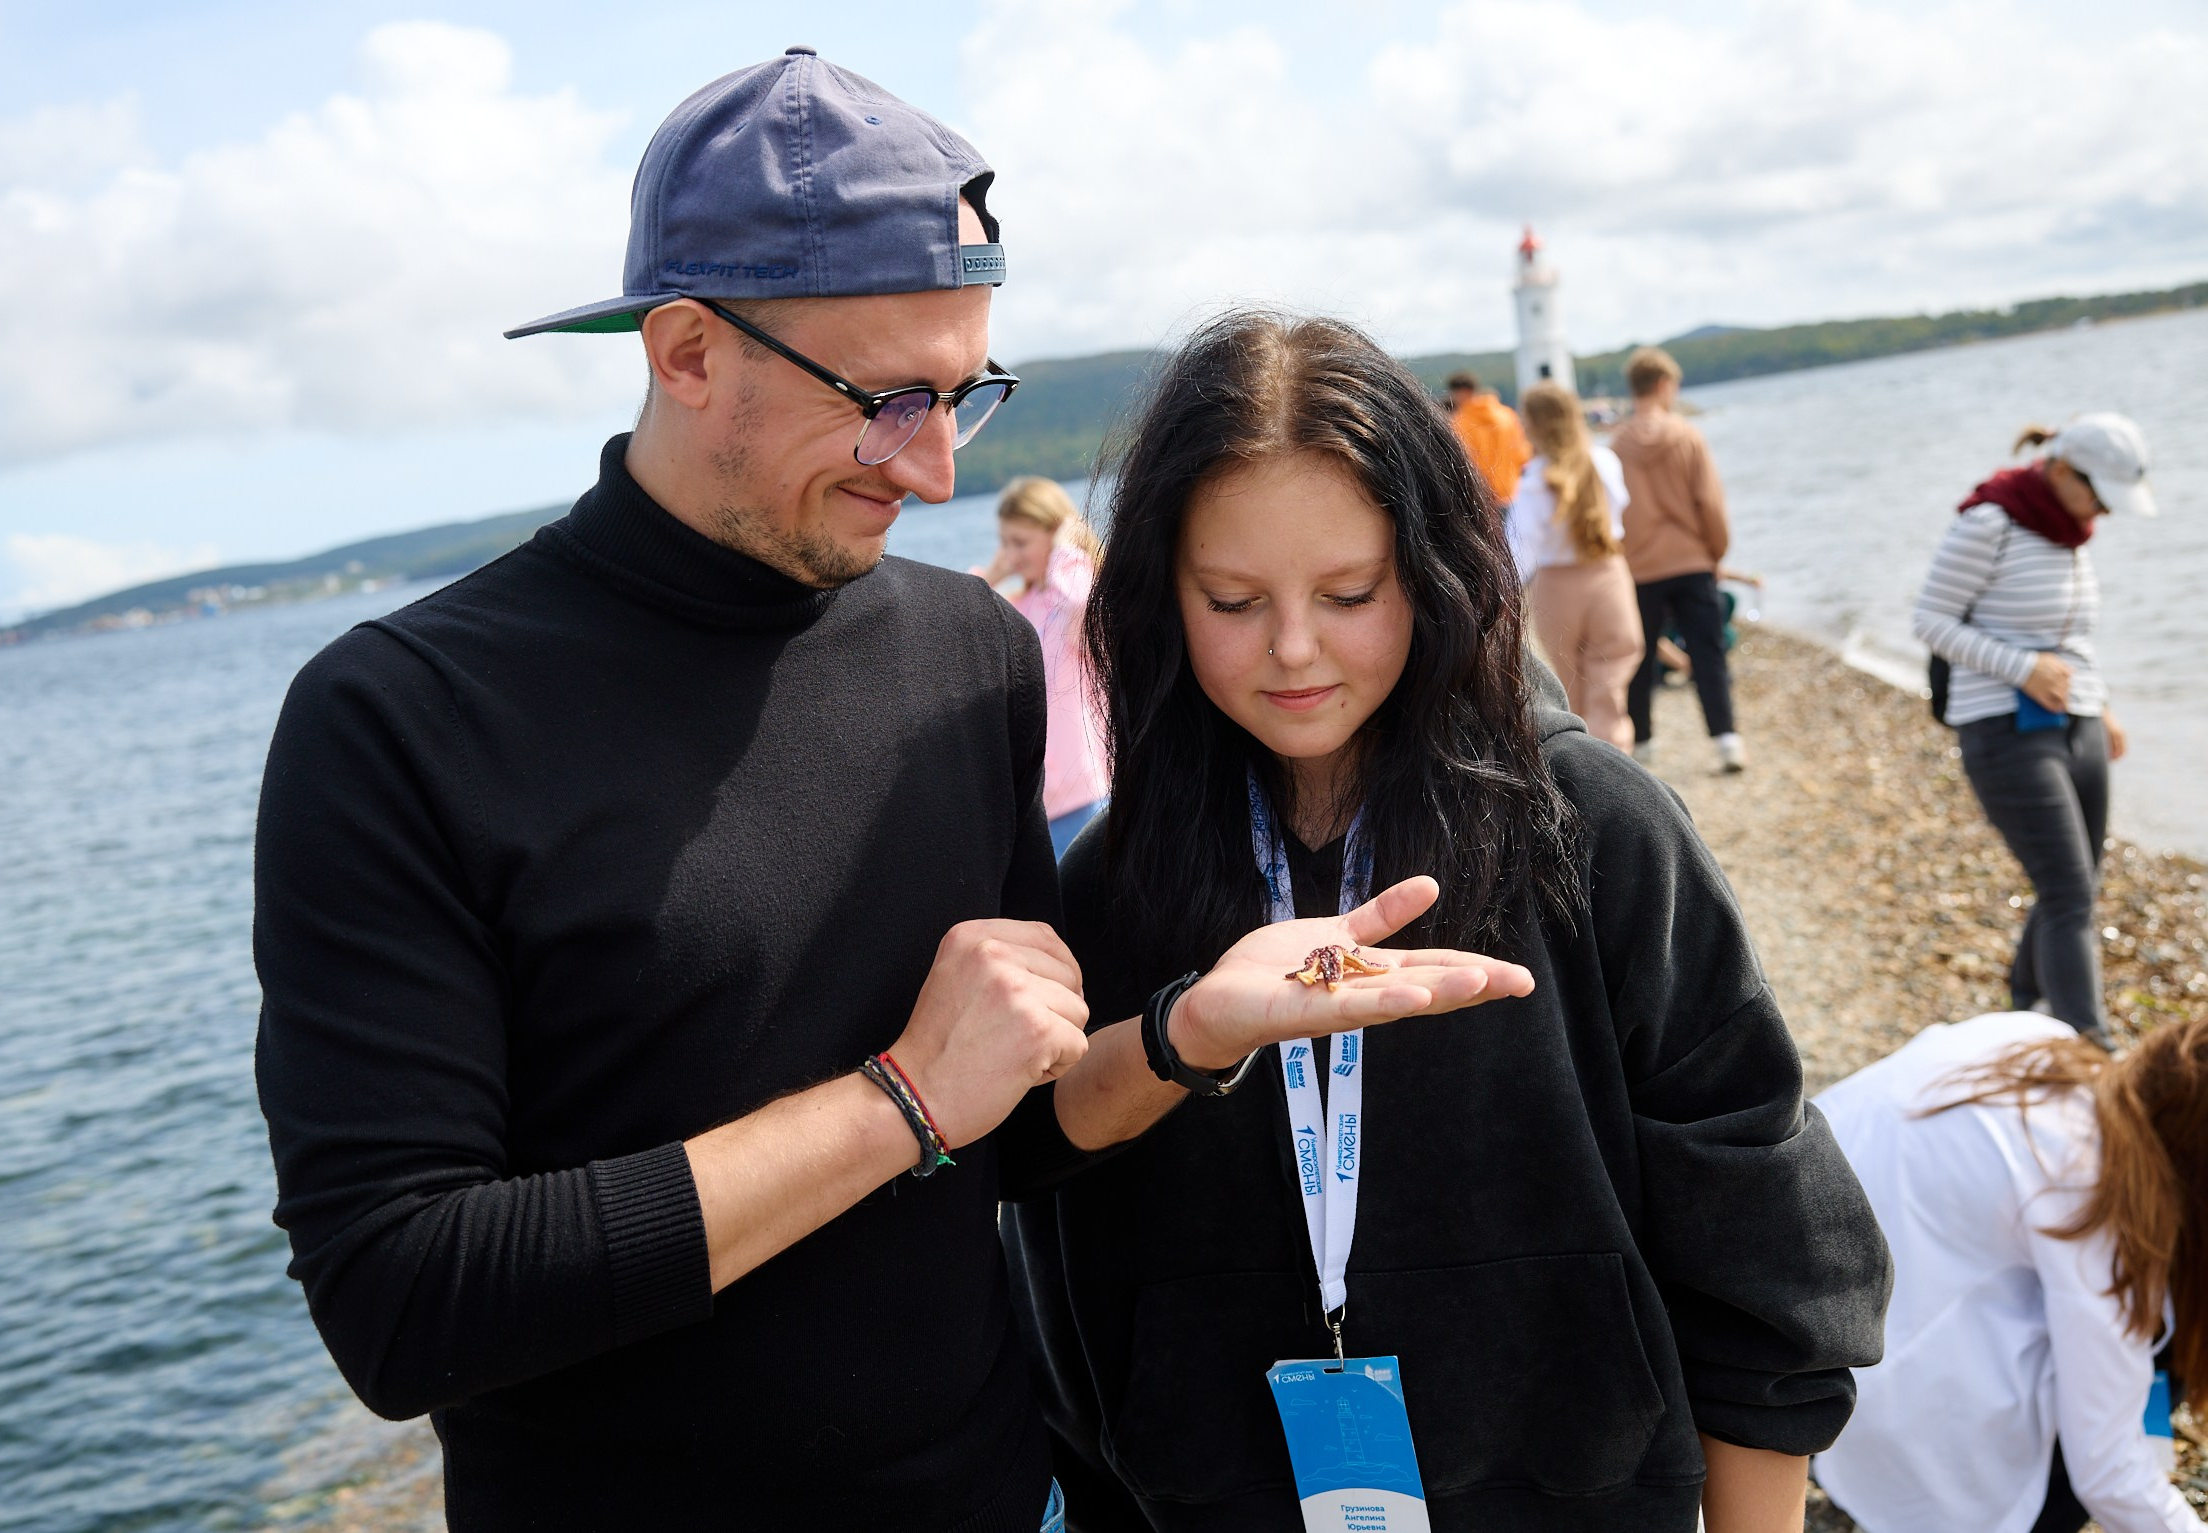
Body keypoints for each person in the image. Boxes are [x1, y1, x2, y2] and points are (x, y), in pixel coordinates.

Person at [254, 56, 1527, 1530]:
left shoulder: (968, 654)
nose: (932, 470)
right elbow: (405, 1305)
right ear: (684, 353)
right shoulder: (401, 718)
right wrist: (898, 1100)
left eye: (966, 393)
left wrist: (1184, 1030)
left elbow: (1013, 1133)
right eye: (885, 399)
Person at [1006, 311, 1891, 1532]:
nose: (1295, 648)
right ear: (1159, 596)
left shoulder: (1595, 825)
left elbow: (1760, 1243)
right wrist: (1183, 1035)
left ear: (1431, 570)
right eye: (1231, 600)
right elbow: (1029, 1177)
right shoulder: (1105, 883)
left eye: (1350, 591)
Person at [1812, 1011, 2208, 1533]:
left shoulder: (2033, 1037)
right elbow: (2108, 1472)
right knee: (2158, 1352)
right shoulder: (2094, 1206)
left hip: (1769, 1317)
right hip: (1845, 1402)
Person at [1912, 414, 2156, 1047]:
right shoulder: (1990, 521)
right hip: (2001, 728)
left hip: (2078, 722)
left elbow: (2070, 637)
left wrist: (2102, 709)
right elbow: (1931, 619)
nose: (2101, 509)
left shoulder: (2069, 529)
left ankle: (2025, 1004)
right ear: (2061, 469)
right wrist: (2021, 668)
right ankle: (2091, 1053)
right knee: (2070, 891)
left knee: (2073, 882)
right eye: (2097, 493)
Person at [1612, 346, 1743, 771]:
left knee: (1639, 657)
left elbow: (1611, 511)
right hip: (1691, 561)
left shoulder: (1617, 444)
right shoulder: (1687, 435)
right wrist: (1716, 551)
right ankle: (1726, 740)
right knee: (1709, 653)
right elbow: (1709, 501)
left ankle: (1644, 744)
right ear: (1665, 384)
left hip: (1639, 567)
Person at [1505, 379, 1642, 752]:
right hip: (1607, 574)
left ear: (1532, 424)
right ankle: (1616, 755)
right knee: (1610, 679)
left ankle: (1582, 768)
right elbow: (1621, 513)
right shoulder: (1604, 462)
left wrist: (1499, 599)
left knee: (1570, 685)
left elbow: (1521, 550)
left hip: (1555, 586)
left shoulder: (1534, 479)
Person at [978, 477, 1109, 853]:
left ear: (1055, 535)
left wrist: (1067, 552)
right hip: (1037, 801)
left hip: (1086, 795)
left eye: (1020, 543)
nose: (1011, 555)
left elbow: (1083, 608)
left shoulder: (1071, 599)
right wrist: (990, 578)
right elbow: (963, 645)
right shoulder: (1022, 605)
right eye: (1004, 543)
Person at [1443, 368, 1530, 508]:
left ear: (1460, 392)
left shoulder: (1460, 422)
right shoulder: (1507, 415)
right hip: (1513, 491)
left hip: (1482, 496)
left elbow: (1462, 461)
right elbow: (1522, 453)